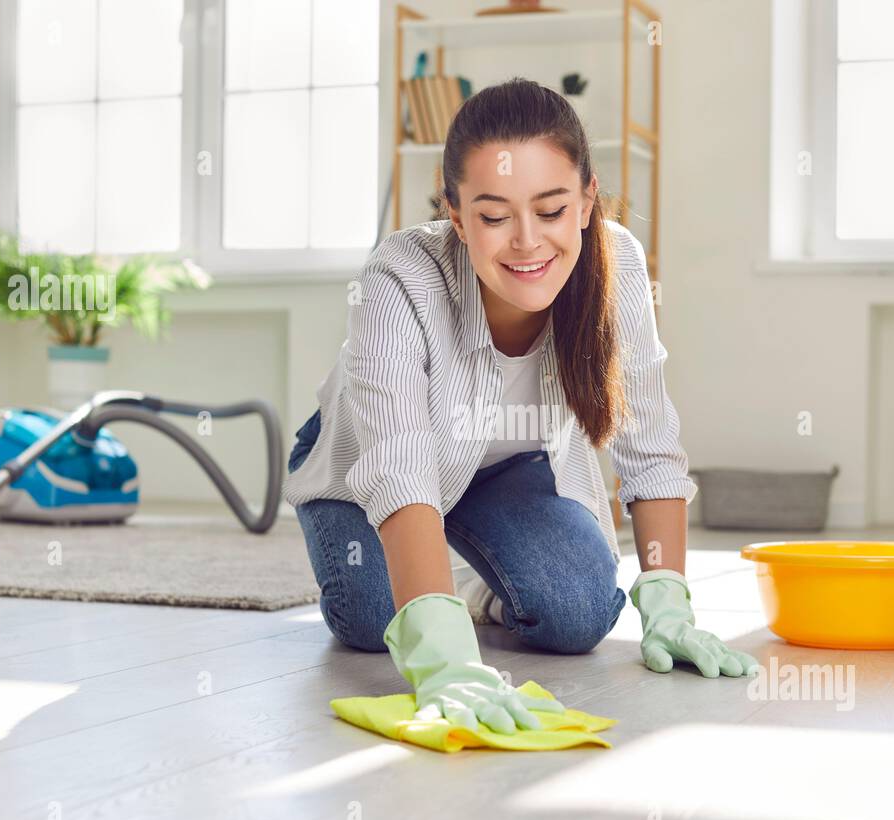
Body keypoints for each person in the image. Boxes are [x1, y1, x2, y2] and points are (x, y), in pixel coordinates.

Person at [284, 78, 756, 736]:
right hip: (359, 469)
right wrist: (443, 660)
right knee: (373, 623)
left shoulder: (618, 262)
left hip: (497, 468)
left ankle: (473, 588)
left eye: (552, 209)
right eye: (495, 215)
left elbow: (647, 444)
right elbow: (398, 465)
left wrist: (669, 603)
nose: (527, 241)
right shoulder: (398, 278)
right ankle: (437, 583)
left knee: (578, 614)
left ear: (588, 200)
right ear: (455, 213)